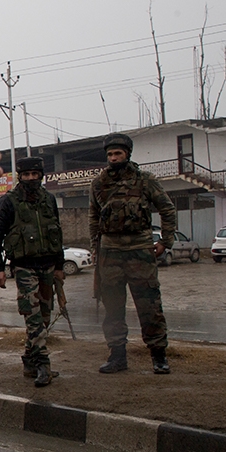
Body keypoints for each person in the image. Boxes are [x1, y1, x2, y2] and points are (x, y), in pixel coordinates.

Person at [89, 133, 177, 374]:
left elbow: (167, 209)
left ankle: (159, 357)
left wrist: (165, 242)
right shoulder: (98, 183)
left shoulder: (145, 180)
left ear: (127, 154)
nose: (114, 158)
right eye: (110, 154)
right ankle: (117, 357)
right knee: (113, 307)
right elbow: (94, 218)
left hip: (140, 249)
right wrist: (95, 250)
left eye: (118, 153)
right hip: (110, 252)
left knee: (149, 306)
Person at [0, 157, 65, 387]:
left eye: (35, 174)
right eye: (26, 174)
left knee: (45, 316)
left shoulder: (49, 200)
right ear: (20, 176)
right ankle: (43, 365)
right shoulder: (8, 202)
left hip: (48, 267)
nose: (31, 178)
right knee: (33, 317)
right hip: (24, 267)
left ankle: (30, 363)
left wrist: (59, 267)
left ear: (41, 175)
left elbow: (57, 235)